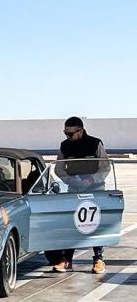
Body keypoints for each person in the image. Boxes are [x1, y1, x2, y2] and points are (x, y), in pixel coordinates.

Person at [52, 116, 108, 274]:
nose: (67, 137)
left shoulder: (95, 143)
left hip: (95, 189)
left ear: (81, 131)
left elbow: (105, 167)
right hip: (75, 190)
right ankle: (67, 260)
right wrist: (70, 180)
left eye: (70, 134)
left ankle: (99, 259)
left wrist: (91, 180)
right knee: (72, 223)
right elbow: (59, 169)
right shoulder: (64, 146)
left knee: (95, 223)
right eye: (65, 133)